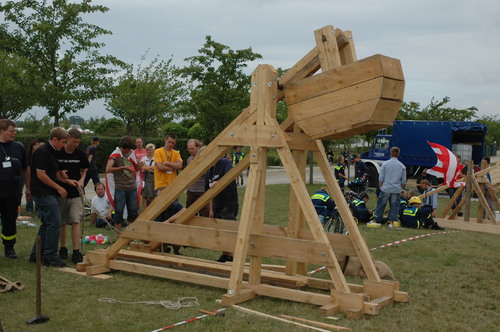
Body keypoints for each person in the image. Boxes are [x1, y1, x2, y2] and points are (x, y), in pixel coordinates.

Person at [29, 127, 78, 267]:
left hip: (48, 192)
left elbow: (54, 172)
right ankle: (49, 256)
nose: (64, 145)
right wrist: (58, 187)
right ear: (54, 139)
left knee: (47, 224)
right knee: (55, 223)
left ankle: (36, 254)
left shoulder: (53, 151)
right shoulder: (42, 152)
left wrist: (67, 181)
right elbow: (41, 175)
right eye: (63, 142)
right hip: (42, 192)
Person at [56, 128, 89, 263]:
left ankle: (76, 251)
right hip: (62, 192)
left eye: (78, 142)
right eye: (73, 141)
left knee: (75, 220)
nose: (75, 144)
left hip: (76, 193)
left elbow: (85, 169)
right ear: (68, 139)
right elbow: (54, 171)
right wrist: (61, 174)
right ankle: (63, 249)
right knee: (62, 222)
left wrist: (81, 180)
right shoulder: (59, 153)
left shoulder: (80, 154)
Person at [0, 119, 29, 259]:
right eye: (12, 131)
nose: (14, 133)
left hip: (12, 192)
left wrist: (28, 188)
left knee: (10, 220)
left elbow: (25, 169)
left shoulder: (19, 147)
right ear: (2, 131)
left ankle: (9, 247)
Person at [106, 136, 141, 235]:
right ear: (123, 147)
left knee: (133, 212)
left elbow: (137, 169)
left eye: (130, 149)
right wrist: (123, 167)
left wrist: (139, 164)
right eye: (127, 149)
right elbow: (108, 169)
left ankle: (130, 236)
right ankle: (118, 237)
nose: (129, 151)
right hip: (120, 188)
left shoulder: (131, 153)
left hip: (132, 187)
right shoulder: (115, 155)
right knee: (119, 213)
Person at [206, 156, 238, 263]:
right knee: (220, 230)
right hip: (217, 204)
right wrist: (211, 209)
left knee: (228, 229)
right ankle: (225, 255)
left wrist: (217, 183)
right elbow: (208, 192)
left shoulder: (224, 163)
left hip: (229, 203)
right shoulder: (209, 170)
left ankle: (229, 256)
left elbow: (229, 177)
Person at [373, 147, 406, 228]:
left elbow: (381, 177)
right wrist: (401, 188)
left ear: (391, 153)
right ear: (398, 154)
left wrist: (381, 186)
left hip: (386, 188)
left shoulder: (385, 164)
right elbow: (403, 180)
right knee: (394, 206)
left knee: (381, 204)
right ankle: (392, 222)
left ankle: (376, 220)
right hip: (396, 189)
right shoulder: (402, 166)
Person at [186, 139, 209, 217]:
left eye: (192, 148)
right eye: (189, 149)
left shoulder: (205, 159)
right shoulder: (189, 160)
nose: (190, 151)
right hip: (191, 192)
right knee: (189, 216)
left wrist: (196, 166)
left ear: (198, 147)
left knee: (204, 215)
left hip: (202, 191)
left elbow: (207, 174)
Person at [25, 139, 42, 214]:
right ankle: (29, 209)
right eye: (34, 145)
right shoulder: (28, 155)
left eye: (37, 144)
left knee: (38, 193)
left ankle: (38, 210)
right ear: (32, 146)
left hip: (38, 175)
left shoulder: (41, 153)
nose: (36, 146)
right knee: (29, 191)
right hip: (30, 175)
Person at [140, 143, 156, 208]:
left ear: (153, 150)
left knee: (152, 194)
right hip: (145, 177)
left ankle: (151, 209)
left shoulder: (156, 158)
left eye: (151, 150)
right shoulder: (143, 158)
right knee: (145, 195)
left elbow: (156, 168)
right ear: (146, 150)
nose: (149, 151)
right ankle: (145, 209)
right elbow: (142, 168)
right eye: (148, 150)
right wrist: (151, 167)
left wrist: (146, 167)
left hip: (153, 177)